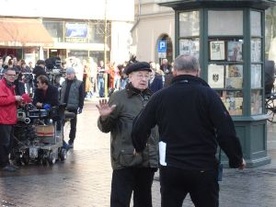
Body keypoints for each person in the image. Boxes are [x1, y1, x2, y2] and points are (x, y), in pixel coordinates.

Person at [131, 54, 246, 207]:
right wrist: (236, 159)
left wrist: (138, 147)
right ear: (198, 71)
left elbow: (140, 126)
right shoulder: (209, 96)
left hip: (171, 168)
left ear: (175, 71)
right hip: (203, 168)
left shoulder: (160, 97)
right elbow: (226, 132)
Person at [96, 62, 159, 207]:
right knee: (120, 201)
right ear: (130, 77)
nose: (143, 79)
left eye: (147, 76)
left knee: (144, 200)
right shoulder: (119, 98)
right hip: (125, 159)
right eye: (139, 75)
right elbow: (105, 128)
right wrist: (104, 117)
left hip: (147, 159)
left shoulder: (154, 98)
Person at [0, 67, 23, 172]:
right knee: (5, 143)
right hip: (3, 119)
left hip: (10, 118)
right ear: (5, 75)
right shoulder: (2, 85)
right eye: (10, 75)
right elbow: (1, 101)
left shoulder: (11, 86)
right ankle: (4, 164)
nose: (12, 77)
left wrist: (19, 101)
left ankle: (6, 162)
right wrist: (14, 98)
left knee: (8, 143)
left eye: (14, 75)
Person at [60, 67, 85, 148]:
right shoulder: (63, 83)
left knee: (73, 126)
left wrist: (80, 106)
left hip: (73, 107)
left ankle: (71, 141)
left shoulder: (79, 83)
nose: (69, 75)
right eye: (67, 74)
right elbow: (61, 95)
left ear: (74, 74)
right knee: (61, 124)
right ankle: (61, 140)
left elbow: (81, 96)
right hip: (63, 106)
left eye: (70, 74)